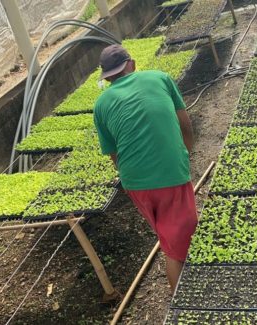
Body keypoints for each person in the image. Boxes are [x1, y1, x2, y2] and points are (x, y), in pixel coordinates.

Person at [93, 44, 198, 293]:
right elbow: (185, 123)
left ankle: (182, 291)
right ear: (132, 64)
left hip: (135, 183)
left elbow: (114, 154)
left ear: (107, 77)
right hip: (170, 174)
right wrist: (184, 155)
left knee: (167, 232)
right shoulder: (159, 78)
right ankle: (181, 302)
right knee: (178, 246)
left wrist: (133, 176)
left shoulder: (101, 104)